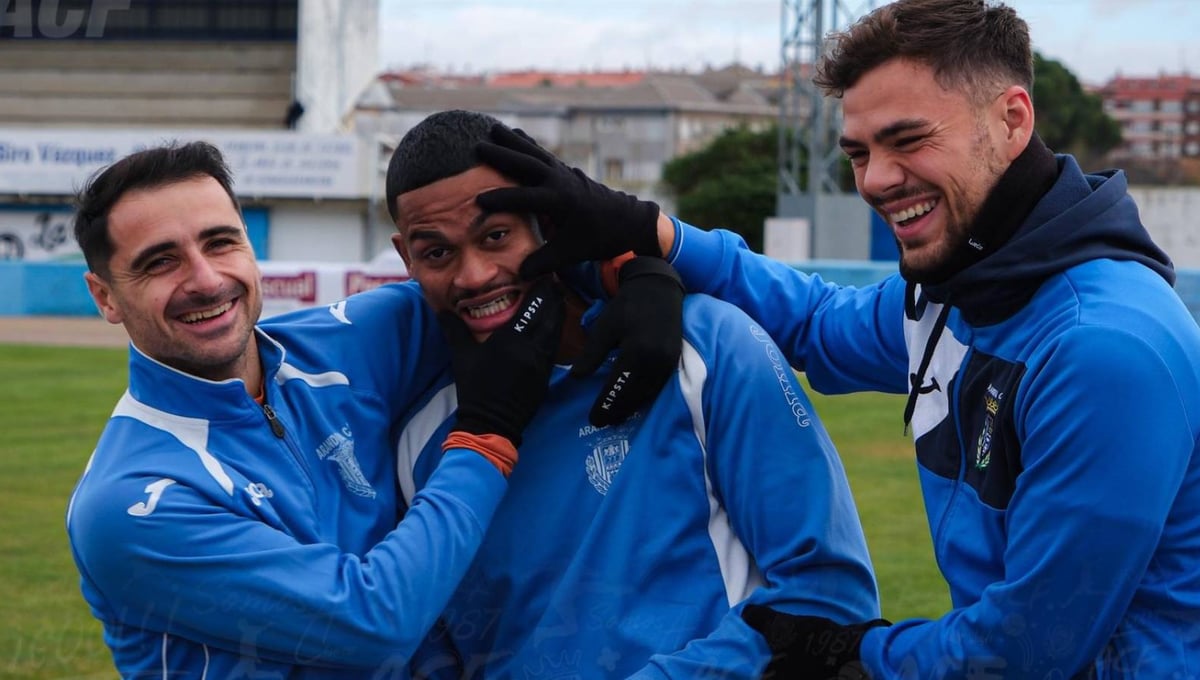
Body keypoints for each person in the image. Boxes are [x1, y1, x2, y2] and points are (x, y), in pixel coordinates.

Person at [468, 0, 1200, 677]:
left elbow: (1027, 652)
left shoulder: (1102, 350)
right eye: (858, 153)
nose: (877, 180)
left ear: (1012, 121)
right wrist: (645, 239)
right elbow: (817, 324)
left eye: (908, 140)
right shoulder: (963, 287)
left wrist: (848, 654)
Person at [63, 141, 679, 678]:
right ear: (105, 297)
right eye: (160, 261)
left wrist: (631, 269)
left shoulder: (349, 342)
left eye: (219, 242)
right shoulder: (131, 503)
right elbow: (374, 621)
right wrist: (485, 437)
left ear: (249, 246)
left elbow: (507, 278)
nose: (205, 279)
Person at [383, 109, 881, 679]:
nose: (474, 276)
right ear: (406, 257)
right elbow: (422, 644)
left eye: (496, 236)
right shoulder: (418, 431)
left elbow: (830, 599)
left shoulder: (711, 348)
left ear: (546, 223)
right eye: (438, 253)